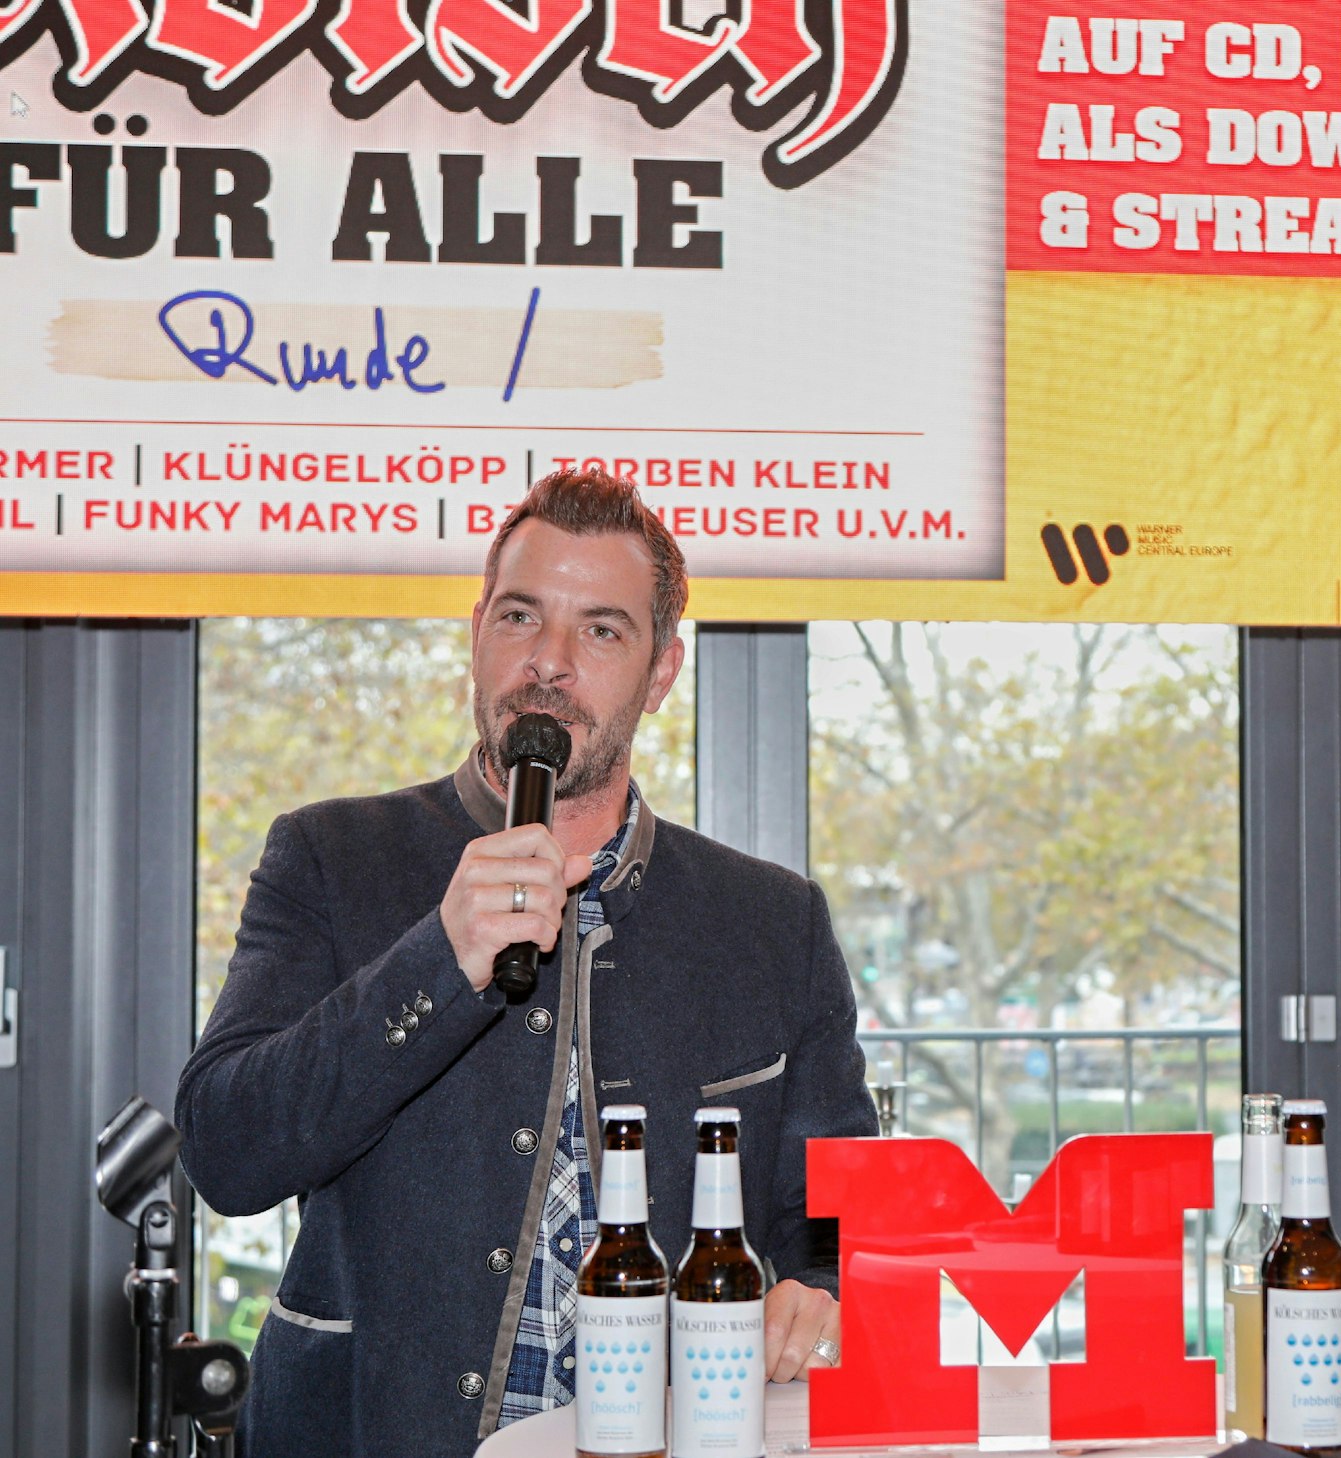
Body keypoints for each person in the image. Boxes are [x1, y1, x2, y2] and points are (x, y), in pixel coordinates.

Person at [177, 469, 878, 1458]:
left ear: (661, 671)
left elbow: (836, 1205)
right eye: (520, 616)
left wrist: (821, 1284)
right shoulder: (332, 857)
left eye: (600, 630)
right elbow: (227, 1150)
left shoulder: (772, 922)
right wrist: (437, 959)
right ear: (476, 632)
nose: (548, 662)